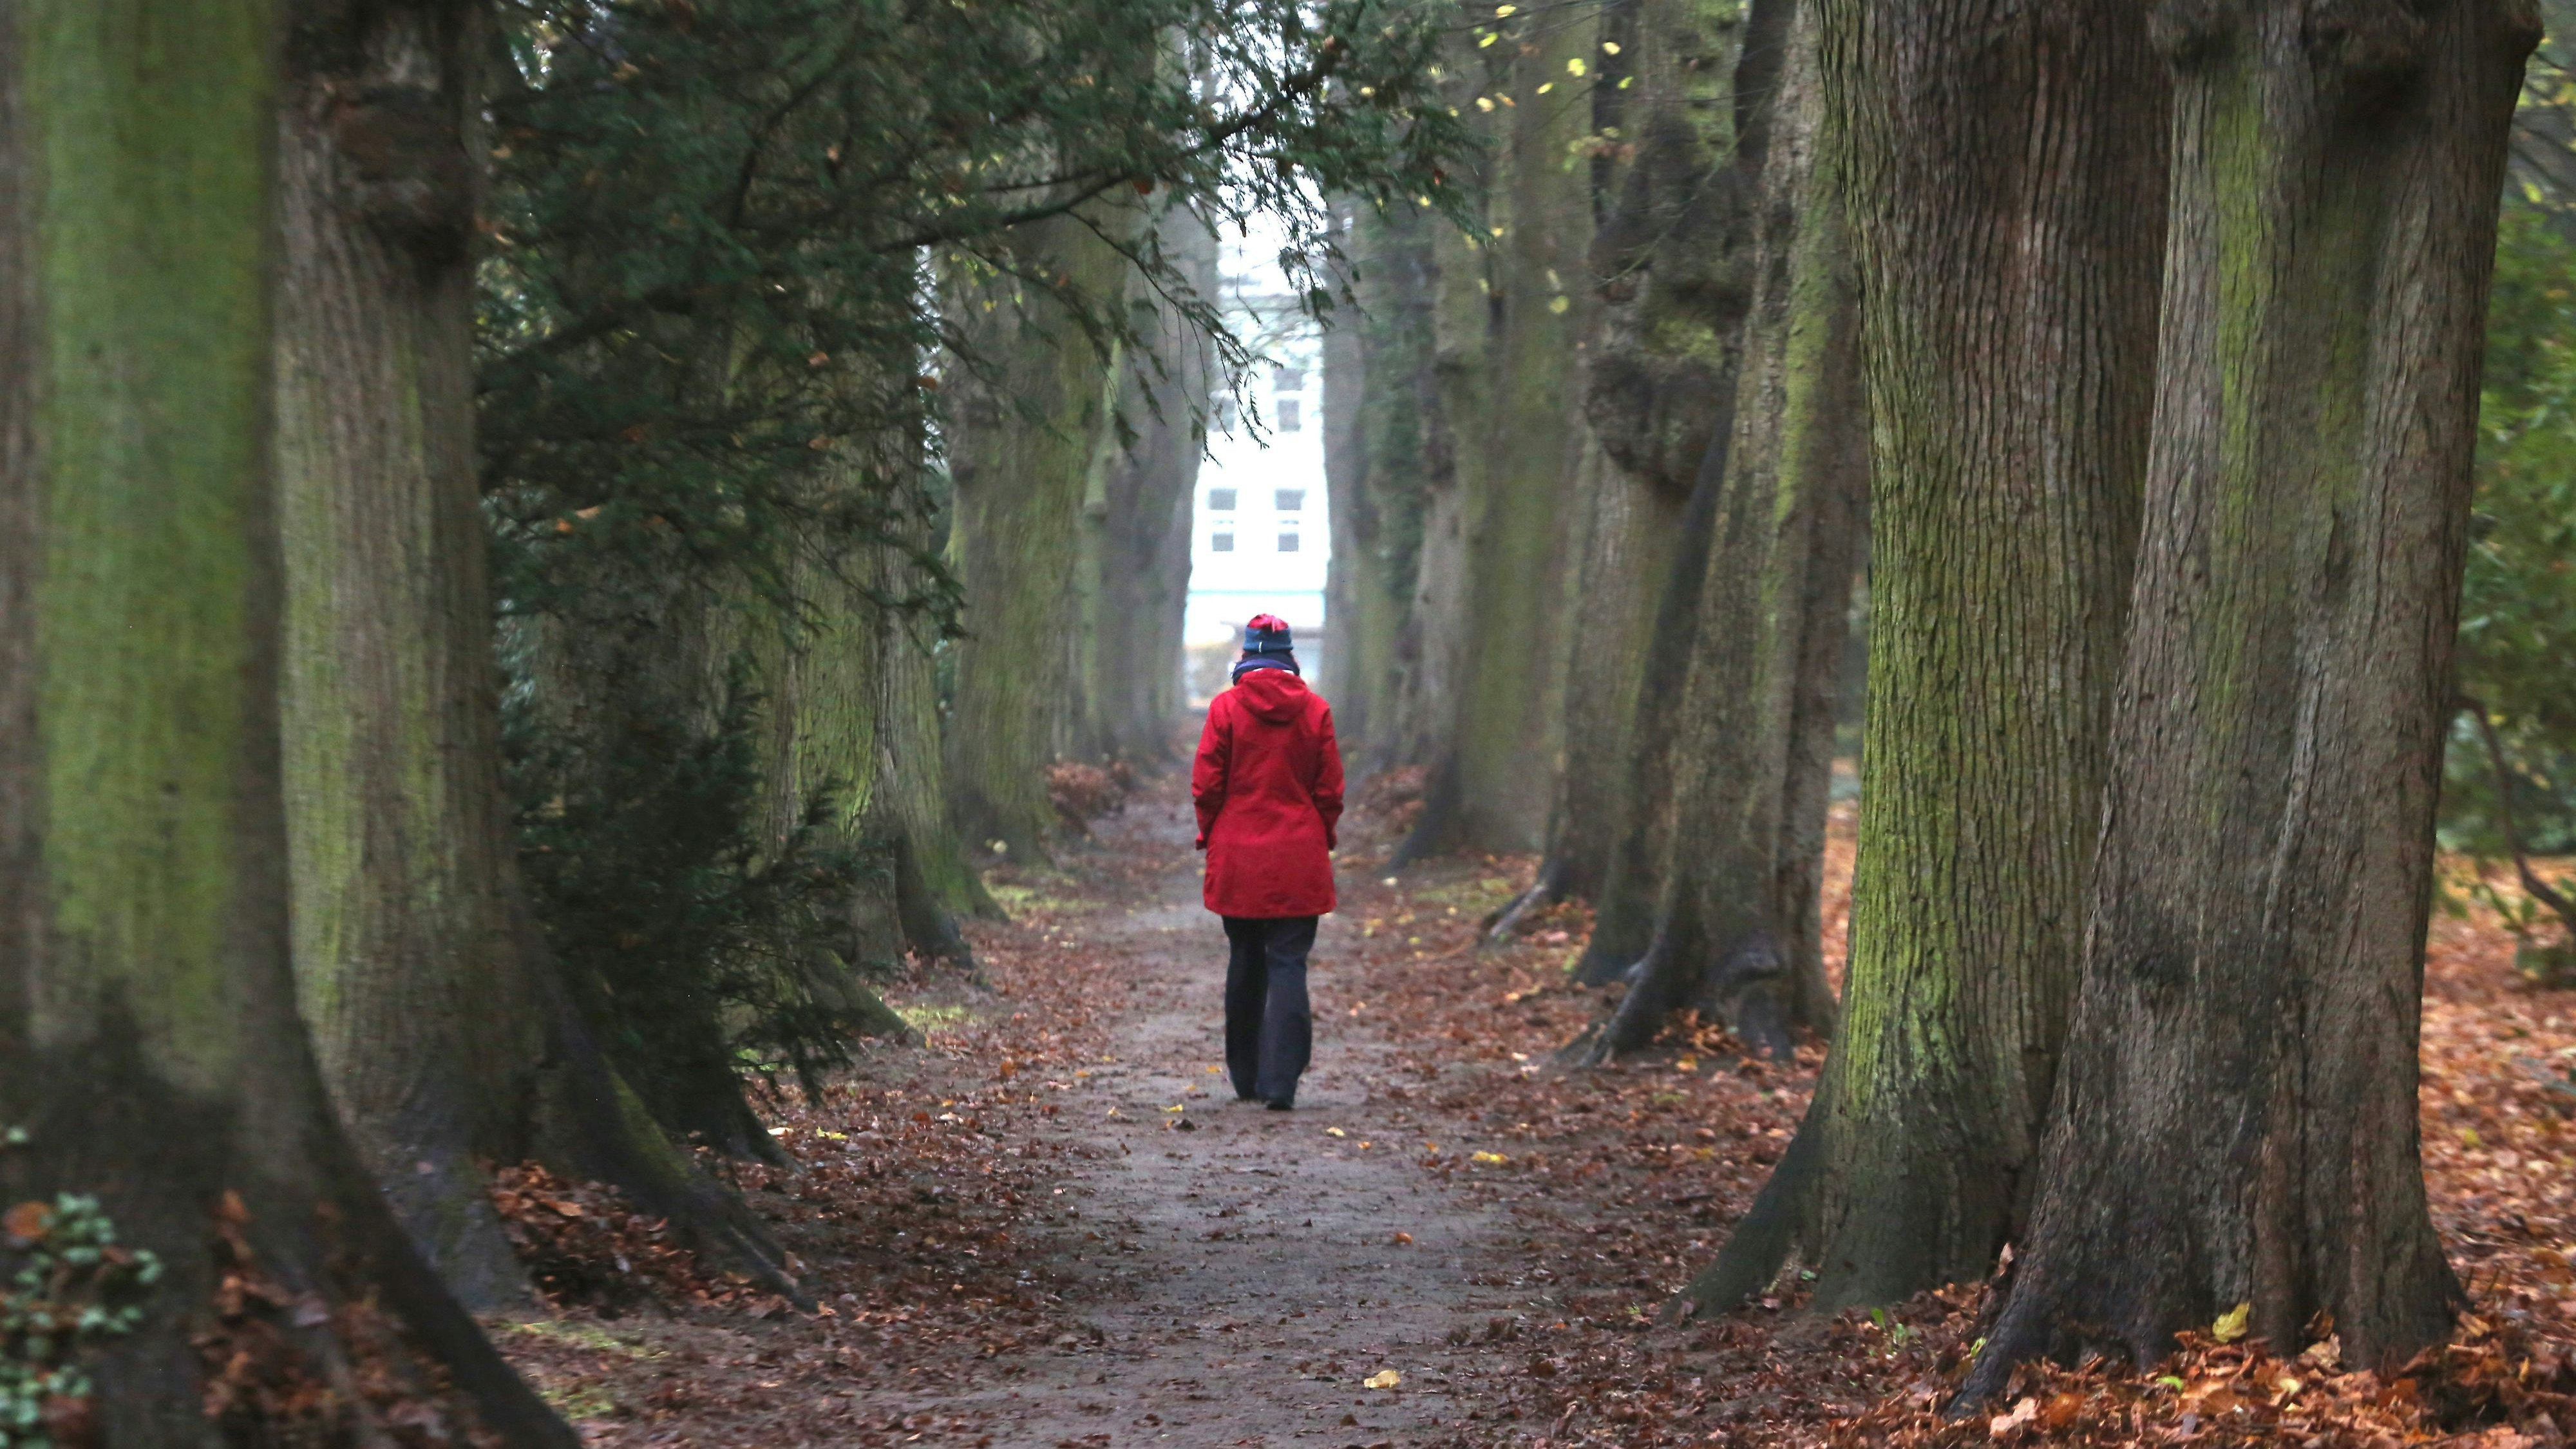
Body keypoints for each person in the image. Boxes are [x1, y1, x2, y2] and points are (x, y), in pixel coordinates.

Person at [1191, 614, 1344, 1110]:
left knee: (1245, 960)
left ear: (1246, 658)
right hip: (1299, 853)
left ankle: (1246, 1076)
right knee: (1288, 963)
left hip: (1238, 854)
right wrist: (1322, 833)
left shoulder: (1226, 708)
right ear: (1289, 658)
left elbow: (1207, 784)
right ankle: (1283, 1082)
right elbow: (1330, 789)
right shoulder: (1316, 710)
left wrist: (1211, 833)